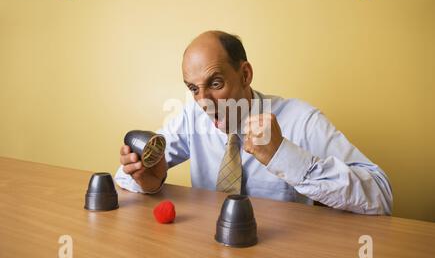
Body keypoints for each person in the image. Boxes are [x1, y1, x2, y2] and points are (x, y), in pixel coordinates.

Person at [115, 30, 393, 215]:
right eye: (193, 88)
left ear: (245, 74)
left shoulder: (301, 119)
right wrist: (150, 181)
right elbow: (123, 175)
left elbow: (381, 196)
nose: (204, 101)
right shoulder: (192, 116)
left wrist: (283, 155)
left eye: (215, 83)